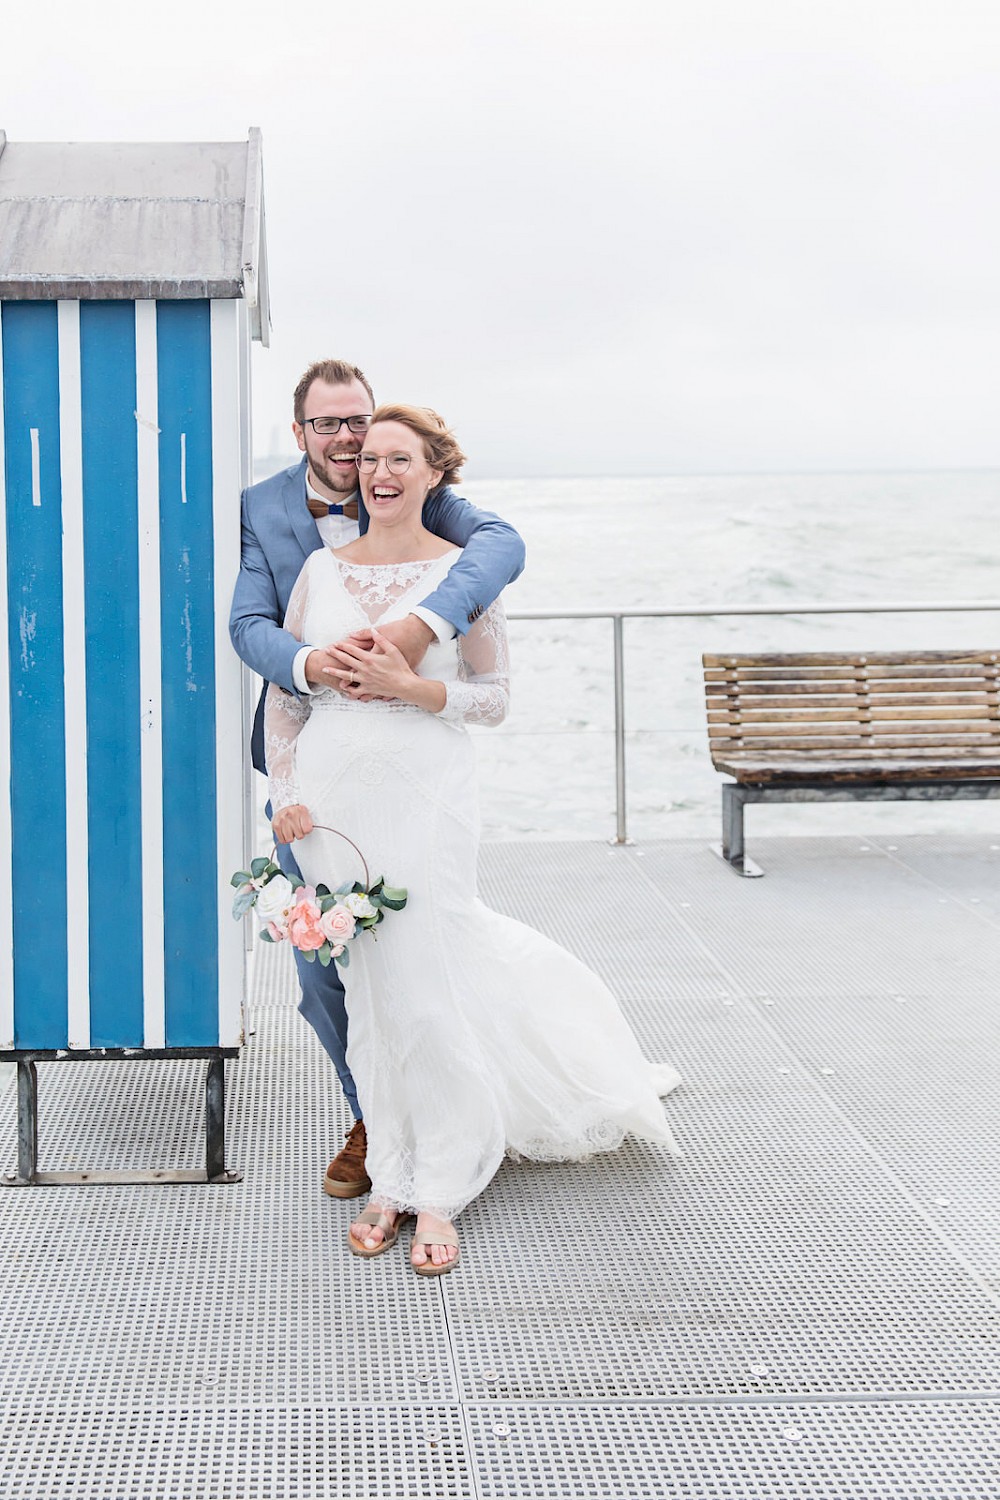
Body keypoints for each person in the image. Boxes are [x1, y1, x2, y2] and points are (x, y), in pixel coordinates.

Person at [265, 404, 680, 1276]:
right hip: (335, 806)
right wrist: (288, 799)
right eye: (369, 458)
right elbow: (286, 699)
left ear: (433, 474)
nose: (379, 472)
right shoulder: (315, 569)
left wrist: (407, 687)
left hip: (428, 791)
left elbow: (493, 698)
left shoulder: (463, 573)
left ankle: (444, 1183)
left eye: (400, 460)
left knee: (425, 982)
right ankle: (389, 1174)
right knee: (370, 993)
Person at [229, 360, 526, 1201]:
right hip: (318, 783)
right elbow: (248, 624)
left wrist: (420, 628)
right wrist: (309, 662)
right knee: (329, 967)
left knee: (426, 955)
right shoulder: (264, 510)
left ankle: (443, 1136)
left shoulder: (439, 510)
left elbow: (501, 548)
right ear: (300, 434)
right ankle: (373, 1120)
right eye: (330, 426)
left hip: (419, 779)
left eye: (358, 422)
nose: (353, 444)